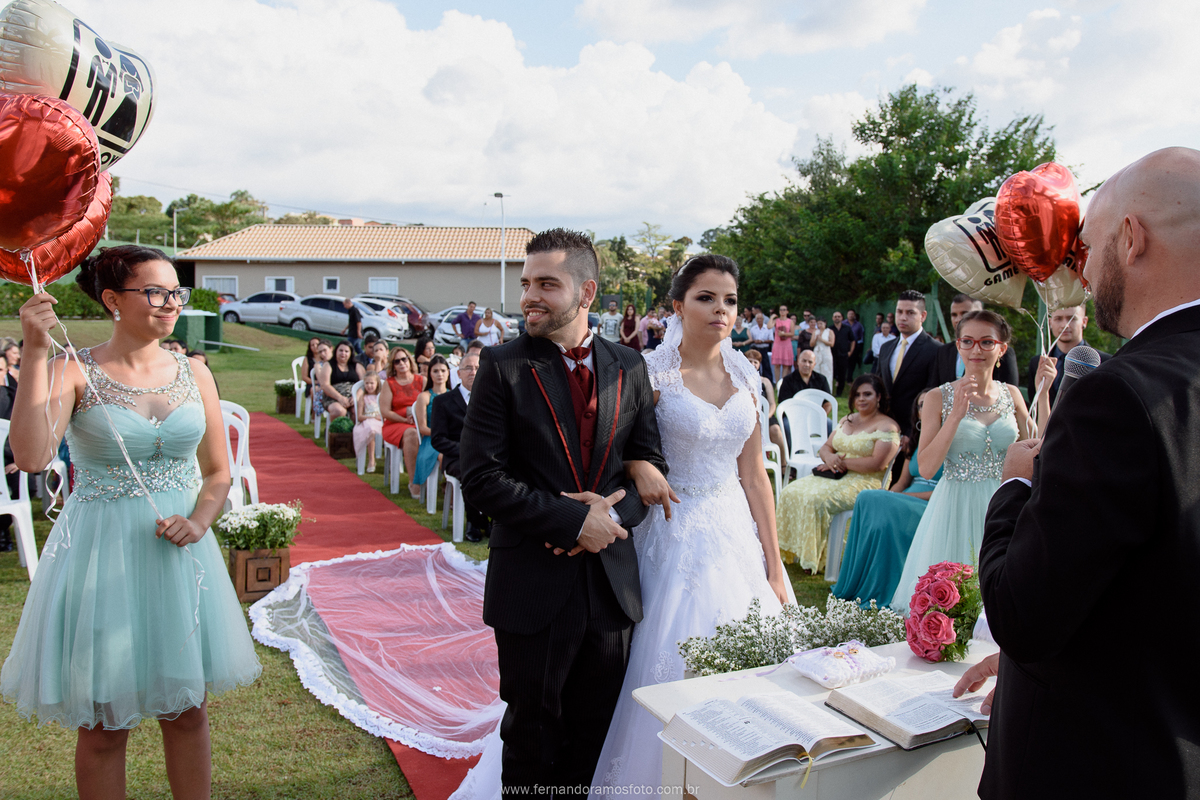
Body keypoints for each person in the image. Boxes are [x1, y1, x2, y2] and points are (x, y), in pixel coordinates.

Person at [975, 147, 1200, 799]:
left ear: (1131, 239)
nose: (1083, 270)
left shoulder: (1118, 396)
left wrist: (1015, 484)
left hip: (1099, 764)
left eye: (1090, 246)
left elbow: (1022, 613)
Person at [0, 245, 260, 798]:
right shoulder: (73, 370)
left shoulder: (195, 372)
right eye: (156, 292)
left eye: (176, 292)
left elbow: (218, 472)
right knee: (103, 725)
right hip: (102, 557)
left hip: (181, 557)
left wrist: (200, 521)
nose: (171, 303)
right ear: (113, 300)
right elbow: (32, 456)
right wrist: (37, 351)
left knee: (188, 712)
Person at [458, 228, 666, 794]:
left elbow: (648, 463)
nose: (530, 296)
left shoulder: (629, 365)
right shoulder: (502, 365)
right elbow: (480, 477)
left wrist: (611, 520)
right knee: (532, 740)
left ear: (586, 292)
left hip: (611, 589)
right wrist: (573, 522)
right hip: (533, 583)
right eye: (527, 283)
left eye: (547, 284)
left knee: (594, 740)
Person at [592, 254, 792, 789]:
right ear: (678, 306)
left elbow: (755, 475)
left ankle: (740, 774)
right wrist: (638, 464)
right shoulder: (651, 372)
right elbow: (612, 449)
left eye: (730, 300)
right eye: (706, 298)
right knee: (668, 653)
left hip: (734, 531)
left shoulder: (747, 374)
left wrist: (774, 565)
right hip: (669, 527)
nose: (720, 310)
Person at [890, 310, 1032, 613]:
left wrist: (1044, 394)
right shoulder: (937, 397)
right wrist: (955, 416)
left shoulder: (1012, 394)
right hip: (956, 505)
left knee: (1004, 598)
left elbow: (1034, 446)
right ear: (958, 345)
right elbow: (926, 468)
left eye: (986, 342)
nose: (976, 349)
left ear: (1001, 349)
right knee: (952, 604)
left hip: (1004, 503)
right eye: (968, 341)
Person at [775, 373, 900, 571]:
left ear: (878, 397)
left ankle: (814, 557)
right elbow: (826, 447)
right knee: (791, 490)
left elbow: (877, 464)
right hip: (834, 473)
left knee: (817, 500)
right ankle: (791, 550)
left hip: (866, 481)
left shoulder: (887, 426)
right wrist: (830, 458)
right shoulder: (847, 420)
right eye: (857, 394)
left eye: (867, 394)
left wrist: (842, 463)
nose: (861, 399)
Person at [831, 391, 942, 607]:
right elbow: (902, 482)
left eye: (930, 404)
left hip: (929, 503)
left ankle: (881, 587)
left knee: (875, 499)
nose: (926, 409)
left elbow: (943, 492)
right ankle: (858, 581)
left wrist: (901, 497)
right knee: (869, 498)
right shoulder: (916, 442)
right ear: (918, 413)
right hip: (905, 498)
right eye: (921, 405)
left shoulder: (951, 443)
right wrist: (890, 495)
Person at [430, 352, 489, 541]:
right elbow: (438, 439)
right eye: (468, 368)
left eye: (477, 368)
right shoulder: (442, 401)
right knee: (470, 472)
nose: (473, 372)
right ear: (459, 373)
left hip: (486, 455)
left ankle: (491, 521)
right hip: (456, 457)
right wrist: (466, 451)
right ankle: (475, 521)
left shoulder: (490, 398)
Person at [874, 290, 939, 447]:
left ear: (923, 316)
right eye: (899, 311)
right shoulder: (886, 347)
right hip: (882, 430)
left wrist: (912, 433)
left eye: (910, 313)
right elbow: (877, 385)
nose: (903, 317)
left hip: (915, 435)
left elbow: (933, 396)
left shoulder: (935, 350)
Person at [1024, 303, 1111, 407]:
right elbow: (1035, 406)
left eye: (1072, 319)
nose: (1065, 325)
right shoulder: (1037, 363)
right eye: (1058, 319)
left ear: (1084, 321)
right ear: (1050, 322)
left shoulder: (1105, 362)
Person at [929, 294, 1021, 387]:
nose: (958, 319)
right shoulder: (943, 351)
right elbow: (932, 386)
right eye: (954, 315)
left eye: (965, 314)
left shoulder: (1003, 352)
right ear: (958, 346)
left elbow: (1008, 388)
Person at [381, 347, 425, 498]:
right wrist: (405, 418)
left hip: (420, 421)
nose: (401, 363)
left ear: (409, 360)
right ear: (393, 365)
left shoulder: (422, 380)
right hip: (396, 423)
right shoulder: (389, 383)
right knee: (411, 434)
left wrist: (418, 416)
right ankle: (414, 482)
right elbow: (385, 412)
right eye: (397, 361)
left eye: (404, 359)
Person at [412, 355, 450, 500]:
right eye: (435, 371)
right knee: (444, 455)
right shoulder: (424, 397)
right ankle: (450, 490)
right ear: (430, 374)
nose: (440, 374)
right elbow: (422, 428)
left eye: (443, 370)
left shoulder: (454, 395)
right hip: (432, 439)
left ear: (448, 373)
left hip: (453, 438)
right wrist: (442, 434)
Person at [745, 348, 789, 469]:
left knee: (775, 430)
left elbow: (772, 404)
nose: (753, 364)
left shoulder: (765, 381)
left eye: (755, 362)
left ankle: (783, 464)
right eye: (750, 361)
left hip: (765, 416)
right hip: (746, 417)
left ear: (759, 364)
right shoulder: (739, 380)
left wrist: (766, 417)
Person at [314, 340, 364, 421]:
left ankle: (354, 429)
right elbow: (325, 385)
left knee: (357, 410)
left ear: (351, 353)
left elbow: (363, 383)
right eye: (341, 350)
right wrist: (340, 398)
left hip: (353, 397)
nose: (343, 353)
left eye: (346, 351)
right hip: (333, 397)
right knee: (339, 411)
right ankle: (335, 429)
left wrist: (356, 396)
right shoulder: (328, 365)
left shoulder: (357, 365)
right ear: (336, 351)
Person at [353, 370, 384, 472]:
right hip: (367, 422)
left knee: (373, 427)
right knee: (370, 429)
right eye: (367, 383)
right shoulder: (363, 398)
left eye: (372, 383)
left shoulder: (381, 397)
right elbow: (359, 417)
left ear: (377, 384)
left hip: (380, 422)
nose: (369, 386)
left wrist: (380, 417)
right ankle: (371, 459)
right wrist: (371, 417)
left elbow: (385, 413)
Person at [808, 317, 836, 391]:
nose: (819, 325)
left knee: (827, 371)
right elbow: (811, 344)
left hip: (826, 352)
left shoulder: (829, 331)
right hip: (817, 352)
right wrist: (816, 339)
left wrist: (822, 340)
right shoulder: (815, 332)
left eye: (821, 323)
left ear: (825, 323)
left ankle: (827, 389)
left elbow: (832, 343)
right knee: (816, 369)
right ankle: (815, 389)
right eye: (818, 324)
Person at [830, 311, 854, 395]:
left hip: (843, 355)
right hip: (832, 354)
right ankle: (830, 391)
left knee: (842, 374)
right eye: (835, 316)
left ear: (842, 318)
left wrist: (850, 351)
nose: (837, 318)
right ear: (832, 318)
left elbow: (853, 340)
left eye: (838, 316)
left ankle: (839, 393)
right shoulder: (829, 329)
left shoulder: (847, 328)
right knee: (831, 373)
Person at [771, 304, 795, 379]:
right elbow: (769, 326)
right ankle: (777, 382)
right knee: (777, 365)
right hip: (777, 344)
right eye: (780, 310)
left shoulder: (790, 321)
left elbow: (792, 333)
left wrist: (784, 334)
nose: (782, 311)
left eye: (784, 310)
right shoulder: (776, 321)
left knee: (785, 365)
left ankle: (783, 382)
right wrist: (772, 317)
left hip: (786, 345)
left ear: (787, 311)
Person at [748, 311, 774, 379]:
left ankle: (768, 380)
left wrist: (762, 341)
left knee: (766, 366)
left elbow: (771, 340)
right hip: (755, 348)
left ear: (763, 319)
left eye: (760, 318)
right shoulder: (753, 329)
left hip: (764, 349)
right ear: (756, 320)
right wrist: (755, 341)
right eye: (758, 318)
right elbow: (750, 339)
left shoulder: (768, 328)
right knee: (755, 366)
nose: (759, 320)